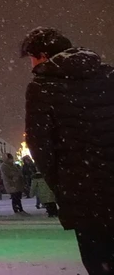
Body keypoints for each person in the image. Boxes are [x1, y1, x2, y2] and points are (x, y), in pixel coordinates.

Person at [22, 27, 114, 275]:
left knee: (99, 262)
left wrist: (63, 183)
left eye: (32, 57)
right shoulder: (108, 76)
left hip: (85, 195)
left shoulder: (42, 88)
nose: (31, 64)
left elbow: (40, 147)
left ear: (43, 55)